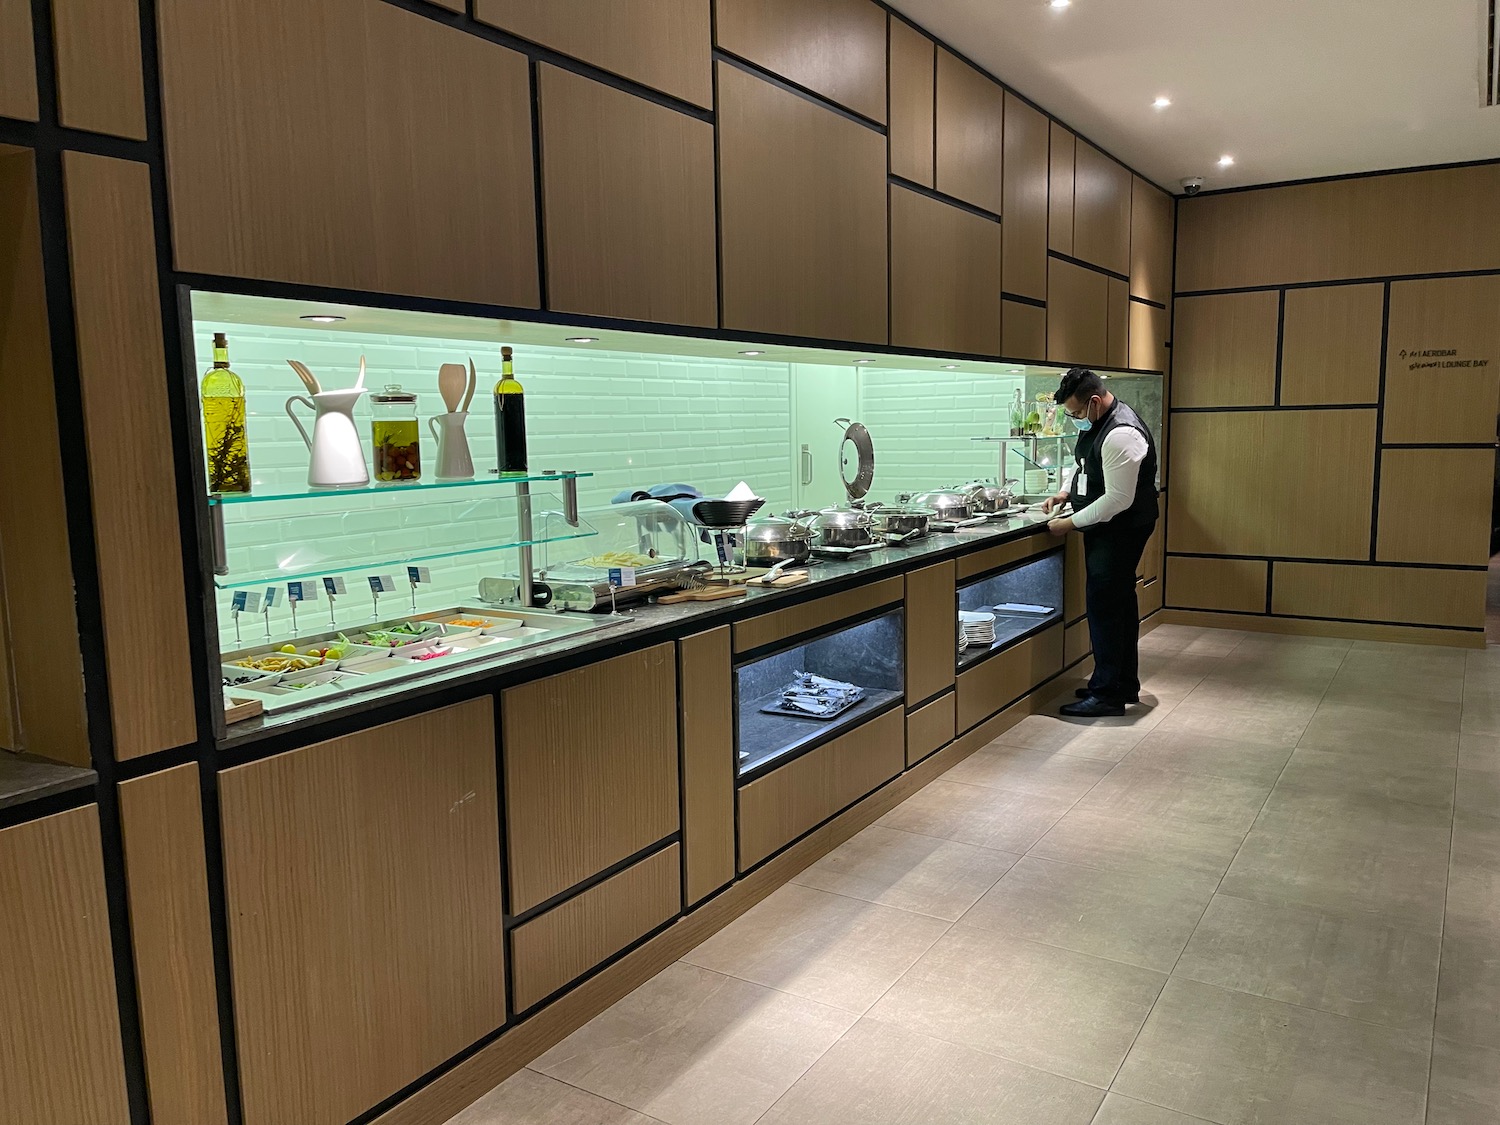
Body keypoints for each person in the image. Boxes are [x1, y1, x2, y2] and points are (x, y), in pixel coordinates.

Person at [1041, 368, 1159, 717]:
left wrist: (1069, 523)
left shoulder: (1121, 433)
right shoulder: (1100, 421)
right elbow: (1084, 464)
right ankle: (1121, 683)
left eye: (1077, 413)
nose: (1076, 420)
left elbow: (1117, 500)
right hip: (1112, 526)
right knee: (1118, 604)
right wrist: (1066, 491)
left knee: (1106, 607)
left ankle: (1106, 694)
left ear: (1094, 401)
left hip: (1121, 528)